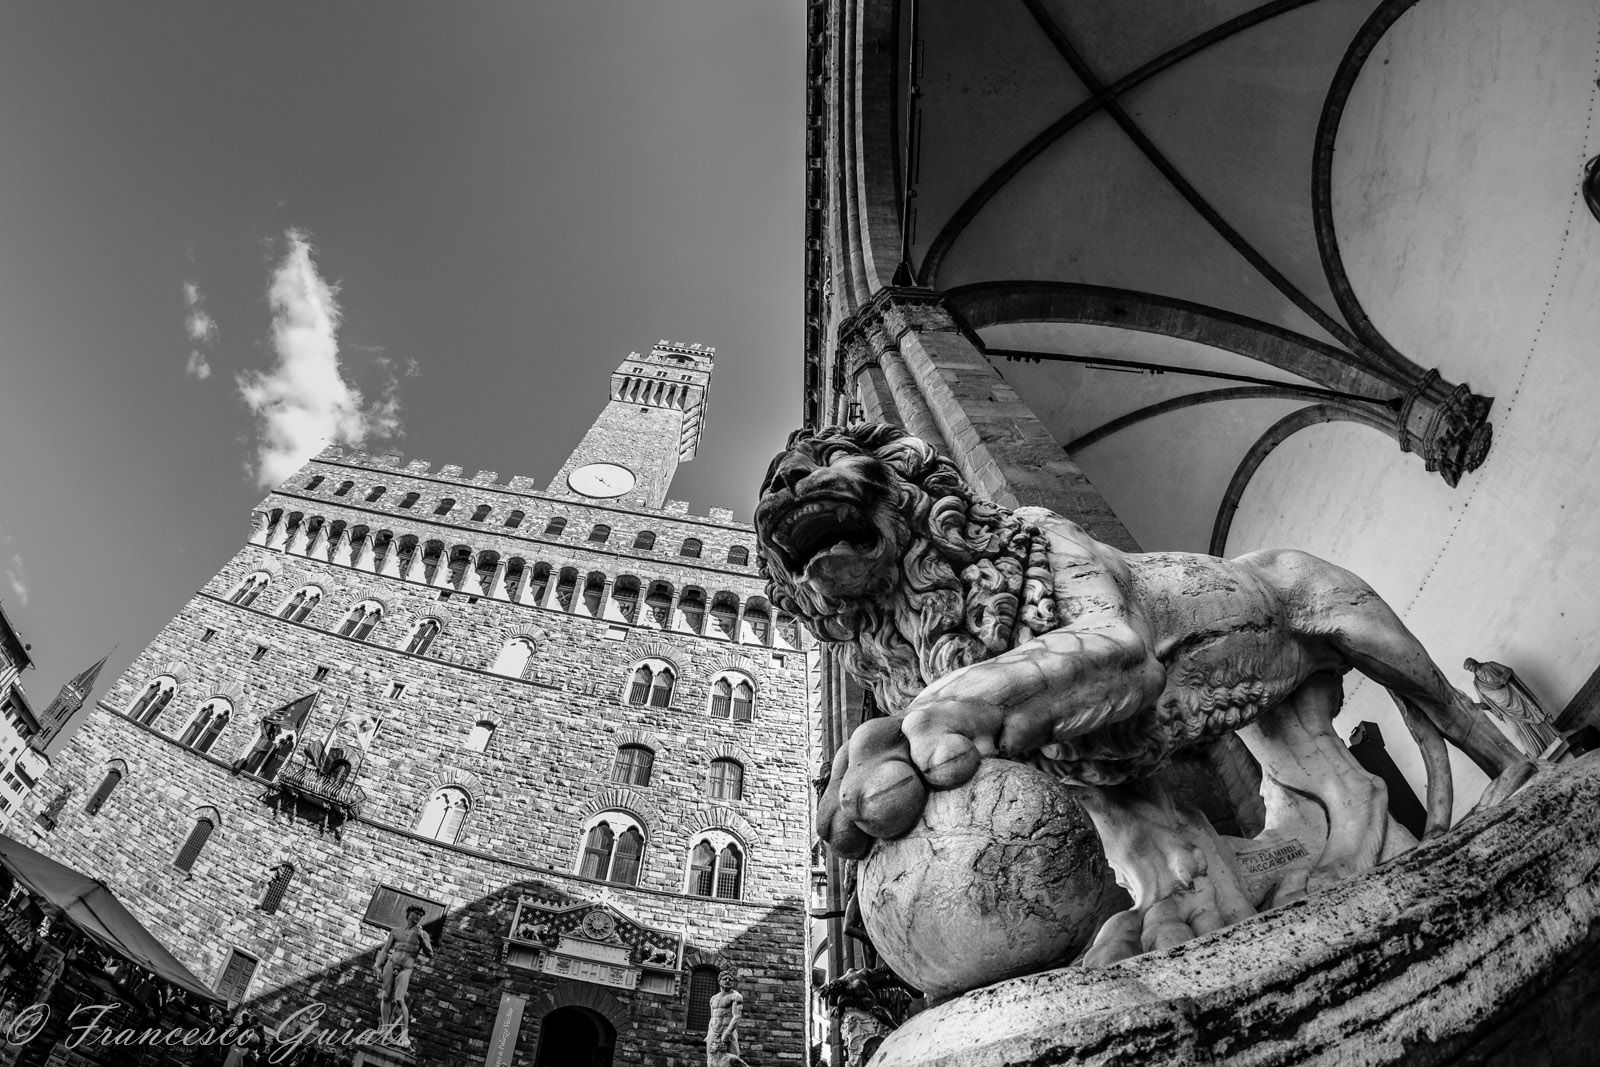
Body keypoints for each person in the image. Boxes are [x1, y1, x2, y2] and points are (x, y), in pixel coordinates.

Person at [375, 906, 434, 1046]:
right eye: (416, 914)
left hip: (406, 967)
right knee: (385, 996)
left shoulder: (422, 933)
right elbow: (385, 950)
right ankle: (385, 1029)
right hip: (391, 963)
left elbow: (430, 953)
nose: (418, 917)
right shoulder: (396, 931)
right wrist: (377, 965)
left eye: (420, 915)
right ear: (408, 914)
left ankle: (404, 1035)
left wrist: (422, 939)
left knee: (399, 999)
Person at [706, 969, 749, 1067]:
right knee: (711, 1059)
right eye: (724, 979)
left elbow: (737, 1016)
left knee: (734, 1061)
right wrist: (708, 1033)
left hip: (728, 1031)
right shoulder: (713, 999)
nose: (727, 981)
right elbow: (712, 1017)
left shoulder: (736, 996)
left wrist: (726, 1034)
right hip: (713, 1031)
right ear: (719, 981)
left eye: (730, 979)